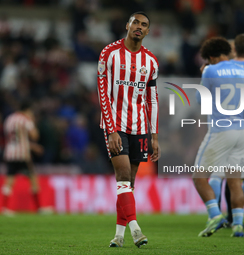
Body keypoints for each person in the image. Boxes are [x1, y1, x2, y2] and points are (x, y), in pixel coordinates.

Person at [97, 11, 160, 248]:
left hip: (141, 127)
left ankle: (118, 236)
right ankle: (136, 230)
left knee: (128, 185)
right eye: (136, 22)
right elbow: (102, 94)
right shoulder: (109, 53)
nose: (139, 27)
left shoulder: (151, 61)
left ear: (147, 31)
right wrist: (111, 130)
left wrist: (154, 136)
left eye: (144, 25)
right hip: (116, 126)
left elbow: (152, 100)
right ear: (127, 25)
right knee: (122, 177)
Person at [193, 37, 244, 238]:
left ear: (211, 57)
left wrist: (203, 75)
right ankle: (237, 225)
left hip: (221, 130)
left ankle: (215, 215)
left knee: (199, 177)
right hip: (241, 131)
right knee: (235, 180)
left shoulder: (210, 70)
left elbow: (201, 100)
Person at [209, 33, 244, 232]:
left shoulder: (222, 71)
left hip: (219, 129)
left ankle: (214, 218)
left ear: (233, 50)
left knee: (216, 175)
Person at [1, 100, 44, 216]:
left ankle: (4, 207)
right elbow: (35, 136)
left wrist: (33, 147)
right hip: (22, 154)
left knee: (9, 180)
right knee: (33, 179)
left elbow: (14, 138)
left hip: (9, 153)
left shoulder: (9, 119)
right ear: (28, 110)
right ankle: (39, 207)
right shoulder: (26, 120)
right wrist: (33, 123)